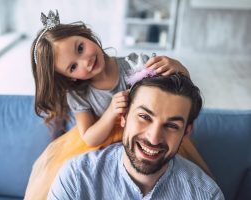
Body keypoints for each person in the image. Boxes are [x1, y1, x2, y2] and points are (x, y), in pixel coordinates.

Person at [24, 10, 210, 200]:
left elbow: (176, 94)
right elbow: (89, 137)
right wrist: (111, 112)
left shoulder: (133, 64)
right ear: (70, 77)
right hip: (104, 145)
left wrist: (179, 68)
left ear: (84, 34)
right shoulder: (79, 94)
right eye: (73, 66)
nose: (85, 62)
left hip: (144, 133)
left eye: (80, 48)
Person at [48, 73, 225, 199]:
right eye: (144, 117)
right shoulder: (76, 177)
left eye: (172, 125)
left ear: (186, 131)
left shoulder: (207, 195)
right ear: (123, 117)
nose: (154, 138)